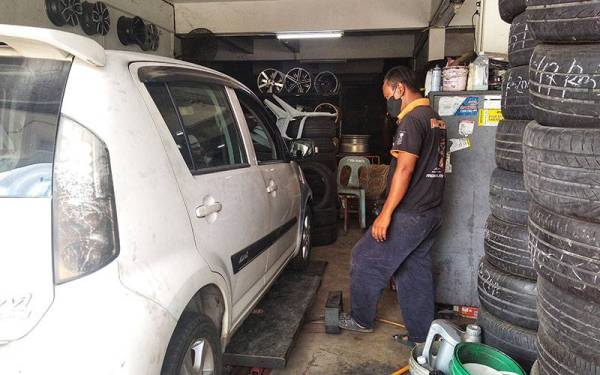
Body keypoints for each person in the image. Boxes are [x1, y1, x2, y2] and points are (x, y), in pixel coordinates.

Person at [339, 66, 447, 347]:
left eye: (389, 95)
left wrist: (385, 214)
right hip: (431, 211)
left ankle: (361, 319)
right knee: (414, 271)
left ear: (400, 89)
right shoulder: (435, 118)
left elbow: (404, 171)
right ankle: (421, 338)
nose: (389, 103)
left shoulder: (412, 121)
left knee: (364, 258)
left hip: (411, 212)